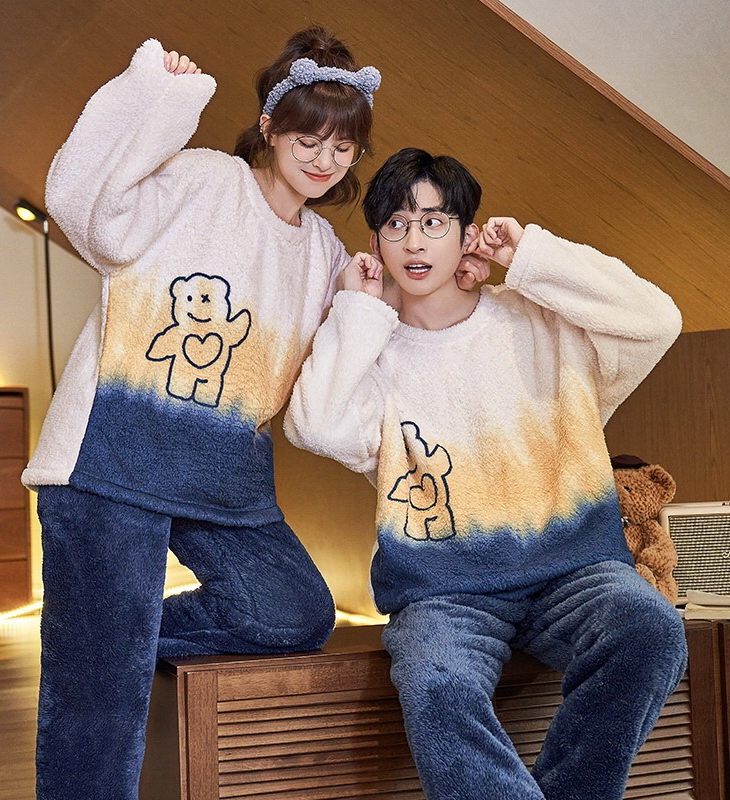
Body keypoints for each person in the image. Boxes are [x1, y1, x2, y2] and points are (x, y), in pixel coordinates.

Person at [22, 28, 380, 800]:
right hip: (111, 463)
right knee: (97, 707)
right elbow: (87, 210)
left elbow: (315, 410)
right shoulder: (202, 178)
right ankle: (102, 643)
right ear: (269, 128)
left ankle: (107, 636)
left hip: (224, 484)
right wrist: (155, 98)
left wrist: (357, 307)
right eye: (308, 139)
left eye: (342, 147)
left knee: (294, 613)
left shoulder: (324, 251)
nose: (324, 159)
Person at [284, 147, 687, 800]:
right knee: (436, 681)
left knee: (651, 631)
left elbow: (657, 321)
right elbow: (314, 426)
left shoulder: (539, 321)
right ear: (377, 243)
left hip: (576, 571)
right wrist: (357, 310)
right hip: (445, 592)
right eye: (396, 224)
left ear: (466, 234)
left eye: (434, 222)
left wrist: (529, 257)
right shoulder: (374, 351)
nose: (415, 241)